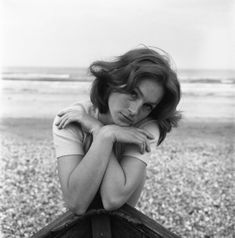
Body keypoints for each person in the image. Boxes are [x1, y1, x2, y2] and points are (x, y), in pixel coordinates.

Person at [52, 47, 181, 216]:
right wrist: (106, 134)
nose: (135, 111)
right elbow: (76, 203)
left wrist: (102, 132)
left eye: (148, 105)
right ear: (112, 82)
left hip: (122, 223)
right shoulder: (71, 119)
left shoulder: (147, 126)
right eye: (133, 93)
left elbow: (113, 199)